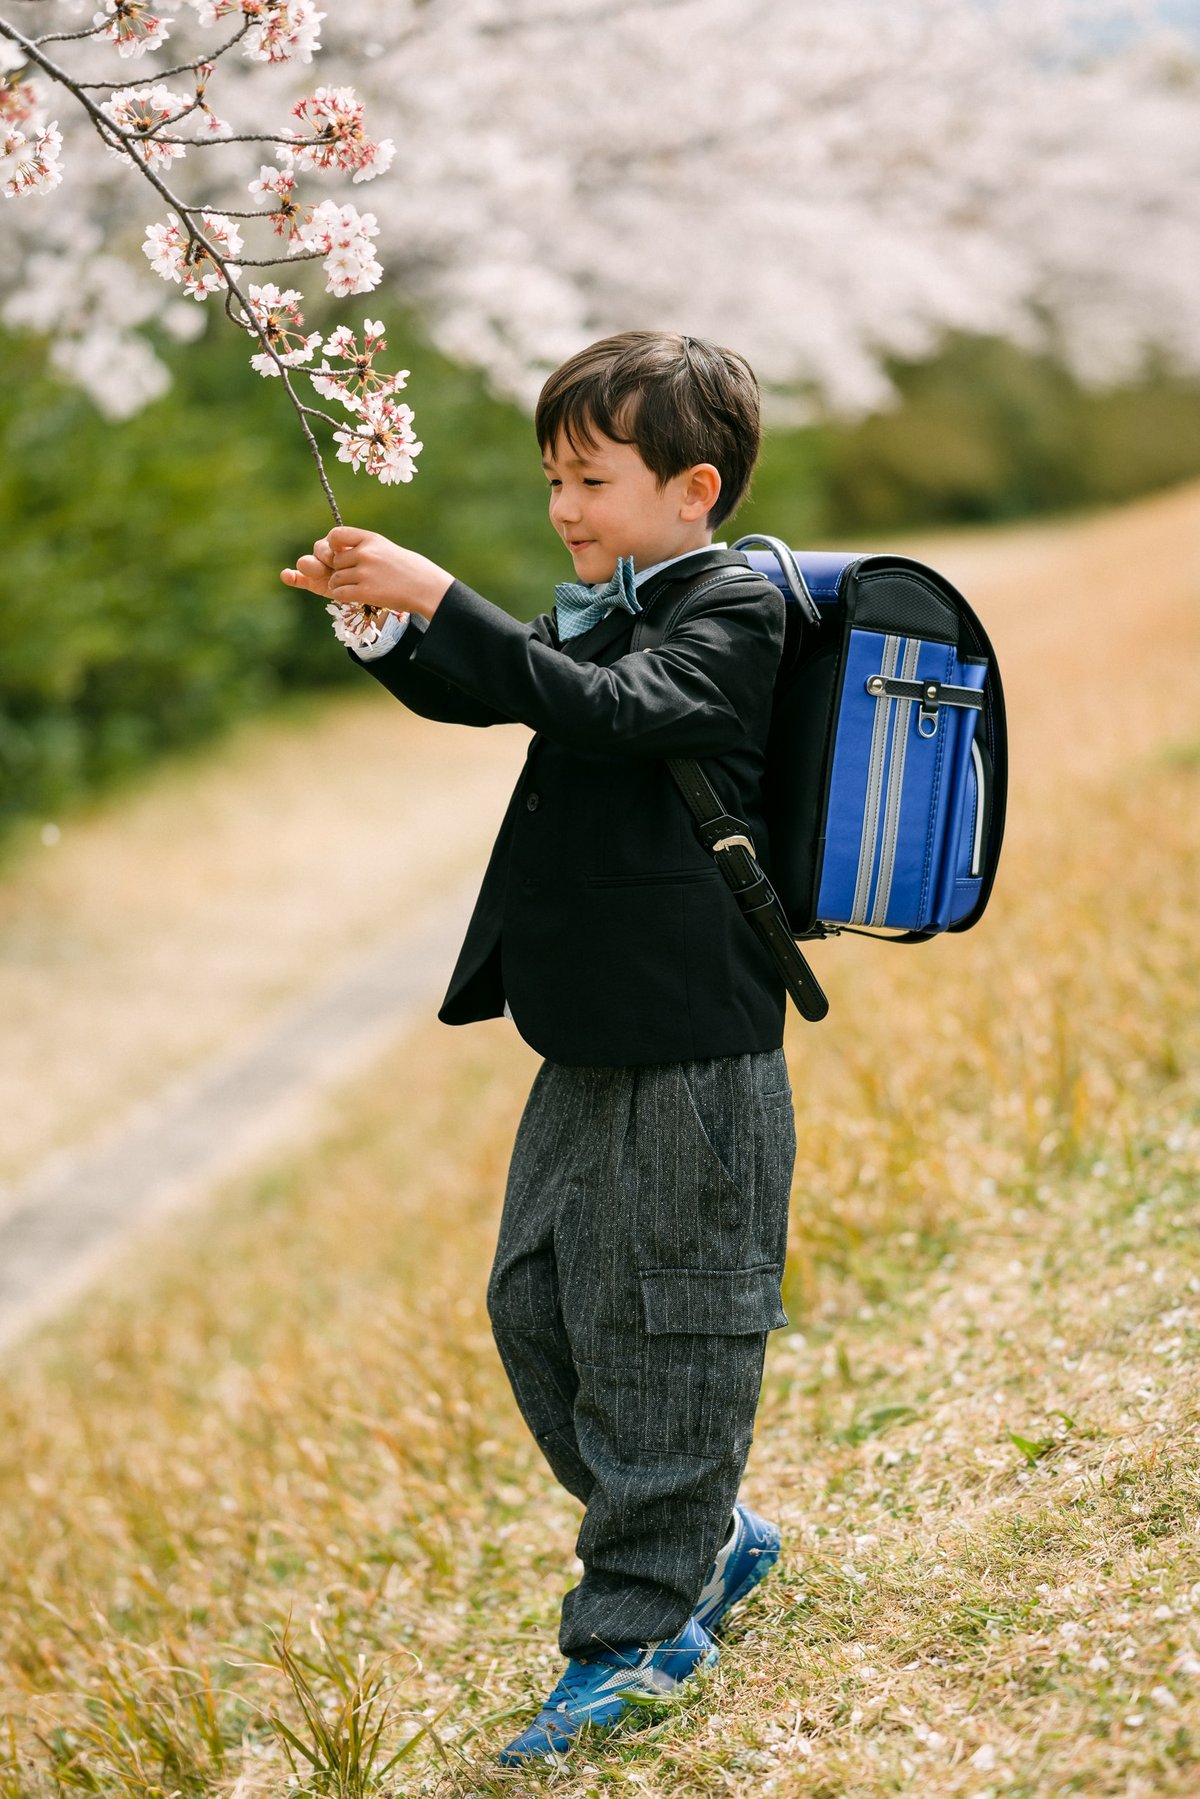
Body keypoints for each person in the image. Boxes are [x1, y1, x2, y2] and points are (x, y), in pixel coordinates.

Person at [282, 330, 796, 1766]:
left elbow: (610, 710)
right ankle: (709, 1535)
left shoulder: (735, 609)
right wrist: (392, 624)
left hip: (696, 1039)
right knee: (537, 1305)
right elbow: (510, 687)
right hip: (593, 1029)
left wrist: (446, 595)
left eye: (591, 480)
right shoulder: (620, 603)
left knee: (670, 1324)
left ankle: (636, 1633)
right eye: (553, 480)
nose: (564, 507)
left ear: (693, 488)